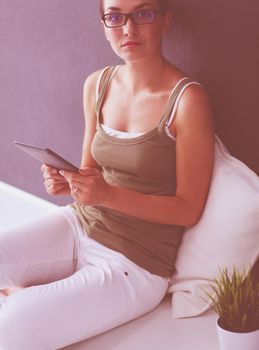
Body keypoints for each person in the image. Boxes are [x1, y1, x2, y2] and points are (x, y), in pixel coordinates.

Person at [0, 0, 215, 349]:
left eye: (143, 14)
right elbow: (91, 171)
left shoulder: (188, 101)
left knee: (10, 329)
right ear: (103, 25)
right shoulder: (97, 85)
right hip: (81, 224)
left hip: (135, 262)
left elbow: (189, 209)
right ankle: (29, 295)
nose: (128, 29)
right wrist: (68, 182)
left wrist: (107, 195)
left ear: (165, 22)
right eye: (115, 17)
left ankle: (24, 297)